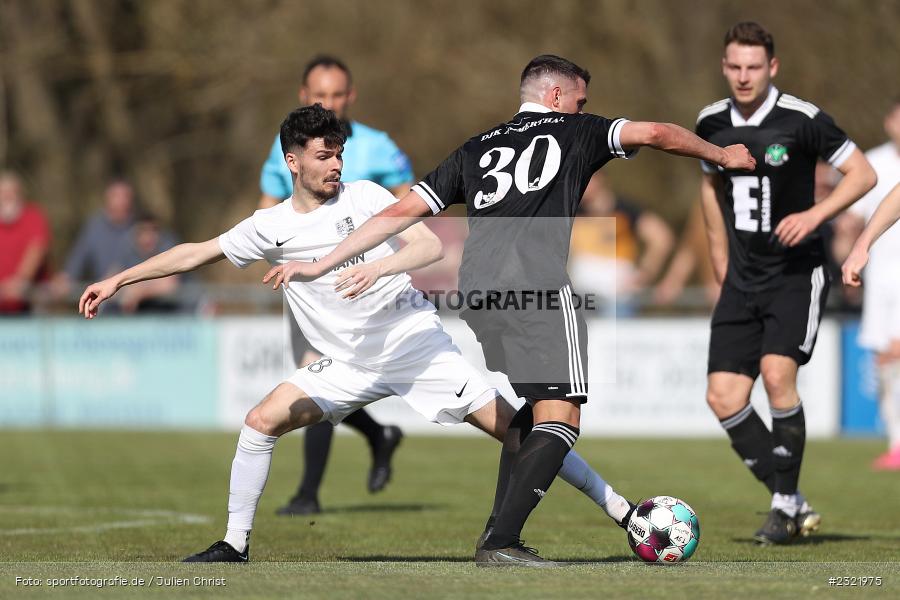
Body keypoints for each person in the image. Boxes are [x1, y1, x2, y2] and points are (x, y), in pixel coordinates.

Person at [79, 105, 636, 564]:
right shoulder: (270, 226)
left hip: (413, 344)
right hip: (348, 362)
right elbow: (195, 253)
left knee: (521, 431)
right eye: (324, 156)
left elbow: (429, 246)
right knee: (260, 421)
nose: (335, 165)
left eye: (339, 153)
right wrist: (117, 278)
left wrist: (378, 266)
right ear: (291, 161)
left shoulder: (367, 197)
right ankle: (234, 544)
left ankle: (625, 513)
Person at [268, 55, 755, 565]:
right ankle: (503, 542)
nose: (585, 109)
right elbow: (655, 131)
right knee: (562, 420)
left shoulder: (476, 148)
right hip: (538, 284)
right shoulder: (578, 131)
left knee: (531, 415)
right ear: (556, 97)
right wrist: (721, 155)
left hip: (478, 293)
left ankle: (495, 535)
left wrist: (321, 262)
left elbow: (398, 213)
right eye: (581, 101)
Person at [695, 22, 877, 545]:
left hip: (796, 274)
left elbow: (864, 175)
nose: (744, 76)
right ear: (724, 66)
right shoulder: (709, 122)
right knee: (723, 397)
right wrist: (717, 256)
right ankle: (792, 500)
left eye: (754, 67)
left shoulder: (803, 120)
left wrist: (815, 214)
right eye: (735, 66)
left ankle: (780, 508)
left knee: (777, 376)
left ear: (772, 67)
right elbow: (709, 190)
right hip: (741, 278)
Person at [260, 56, 416, 514]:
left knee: (319, 380)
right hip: (308, 288)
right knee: (319, 381)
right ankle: (378, 434)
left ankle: (308, 493)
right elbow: (269, 207)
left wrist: (394, 258)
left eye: (335, 94)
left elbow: (412, 204)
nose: (328, 102)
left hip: (359, 288)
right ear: (304, 96)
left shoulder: (377, 146)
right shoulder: (286, 146)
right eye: (318, 94)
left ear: (350, 96)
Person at [839, 98, 900, 470]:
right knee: (885, 358)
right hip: (882, 279)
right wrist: (858, 247)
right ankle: (896, 442)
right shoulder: (875, 161)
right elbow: (854, 217)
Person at [570, 171, 675, 316]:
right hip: (581, 299)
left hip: (617, 300)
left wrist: (644, 274)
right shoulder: (572, 212)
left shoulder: (626, 210)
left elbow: (661, 238)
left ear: (600, 179)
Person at [57, 179, 135, 293]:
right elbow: (78, 257)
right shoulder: (94, 227)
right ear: (107, 198)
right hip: (104, 298)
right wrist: (66, 277)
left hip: (138, 298)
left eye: (125, 196)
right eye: (116, 196)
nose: (121, 201)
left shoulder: (142, 226)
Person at [0, 171, 51, 314]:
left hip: (29, 301)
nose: (7, 197)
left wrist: (20, 281)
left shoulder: (33, 216)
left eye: (11, 192)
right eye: (3, 193)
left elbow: (37, 250)